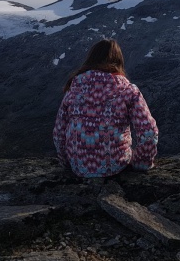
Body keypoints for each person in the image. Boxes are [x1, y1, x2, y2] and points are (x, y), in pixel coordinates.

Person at [53, 39, 158, 178]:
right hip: (116, 166)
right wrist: (141, 164)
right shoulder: (128, 91)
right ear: (119, 62)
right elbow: (148, 132)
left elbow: (59, 133)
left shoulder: (73, 89)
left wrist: (67, 163)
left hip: (78, 167)